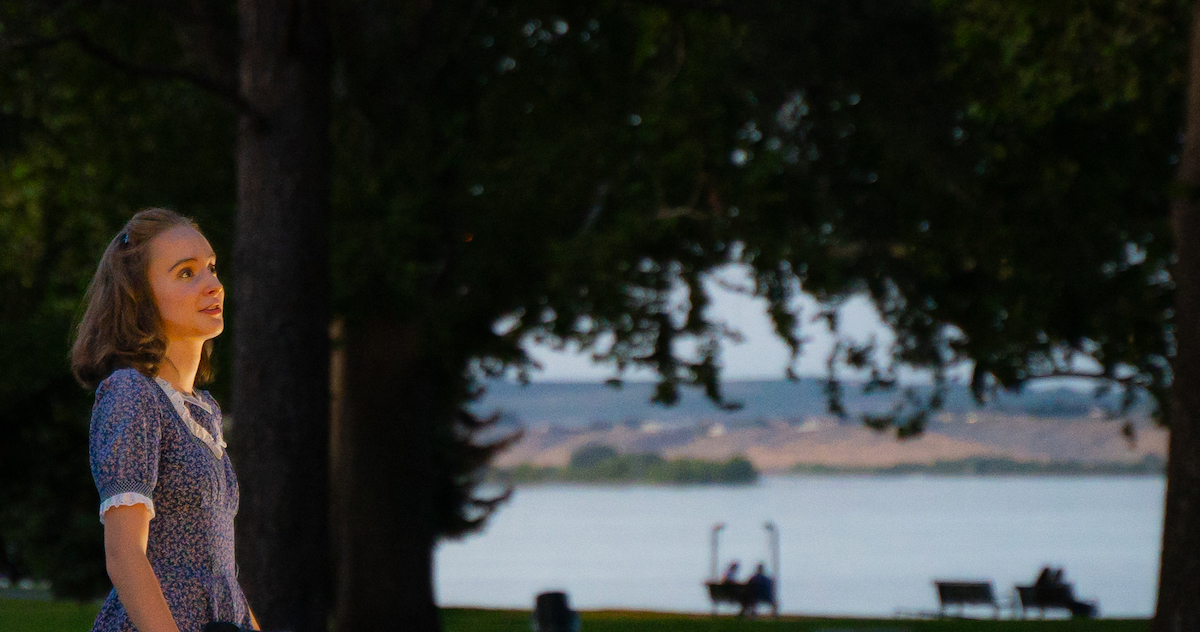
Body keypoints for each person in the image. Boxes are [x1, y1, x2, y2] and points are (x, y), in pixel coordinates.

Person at [72, 209, 259, 632]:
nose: (213, 284)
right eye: (186, 273)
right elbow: (125, 556)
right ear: (140, 297)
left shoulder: (203, 409)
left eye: (211, 268)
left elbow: (220, 573)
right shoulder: (132, 395)